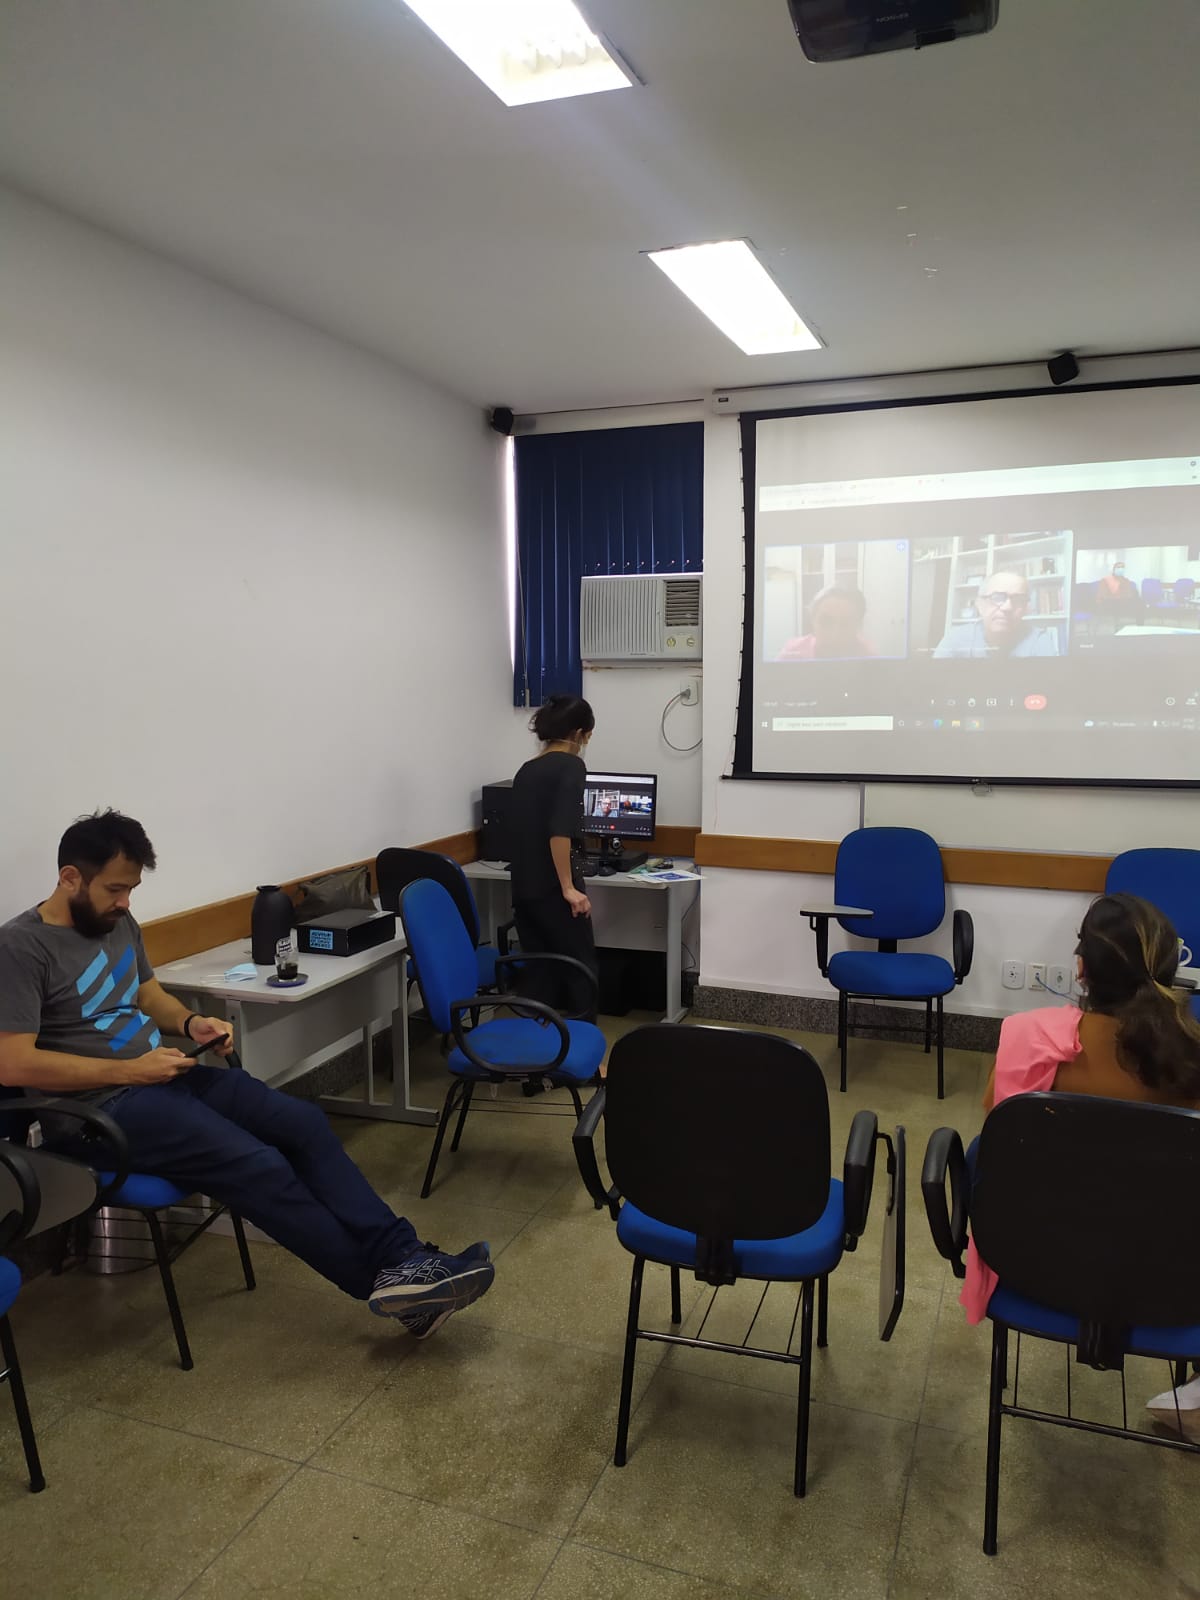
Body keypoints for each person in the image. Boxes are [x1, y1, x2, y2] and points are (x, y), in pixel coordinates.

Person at [0, 811, 494, 1341]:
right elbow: (14, 1063)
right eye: (115, 889)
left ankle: (405, 1257)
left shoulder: (116, 922)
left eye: (132, 890)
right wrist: (130, 1070)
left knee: (303, 1124)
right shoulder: (20, 948)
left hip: (158, 1080)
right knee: (258, 1164)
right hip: (96, 1112)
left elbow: (145, 994)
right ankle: (389, 1287)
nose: (125, 903)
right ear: (70, 877)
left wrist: (190, 1023)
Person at [959, 893, 1200, 1432]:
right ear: (1171, 970)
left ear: (1082, 968)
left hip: (1036, 1262)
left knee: (981, 1149)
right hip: (1171, 1280)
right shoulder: (1191, 1059)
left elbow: (1001, 1134)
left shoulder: (1029, 1038)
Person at [507, 693, 599, 1022]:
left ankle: (538, 1045)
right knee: (580, 972)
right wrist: (568, 888)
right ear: (578, 734)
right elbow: (560, 831)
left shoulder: (527, 770)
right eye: (588, 735)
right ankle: (584, 1047)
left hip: (525, 890)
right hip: (554, 891)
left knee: (541, 973)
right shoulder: (572, 766)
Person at [933, 570, 1061, 658]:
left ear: (1025, 609)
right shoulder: (956, 637)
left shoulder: (1039, 640)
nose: (1007, 607)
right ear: (979, 605)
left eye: (1018, 599)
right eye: (997, 597)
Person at [776, 585, 875, 660]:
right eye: (826, 622)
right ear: (812, 621)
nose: (835, 634)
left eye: (846, 624)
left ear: (858, 626)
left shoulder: (868, 658)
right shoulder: (793, 655)